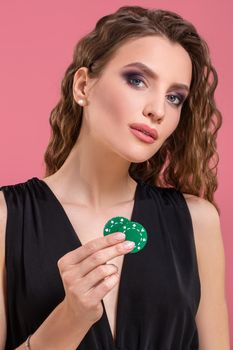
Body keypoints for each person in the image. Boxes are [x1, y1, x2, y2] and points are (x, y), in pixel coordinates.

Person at [0, 5, 230, 350]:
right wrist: (71, 317)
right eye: (137, 80)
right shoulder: (6, 217)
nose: (158, 110)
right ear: (83, 86)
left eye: (174, 97)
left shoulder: (197, 222)